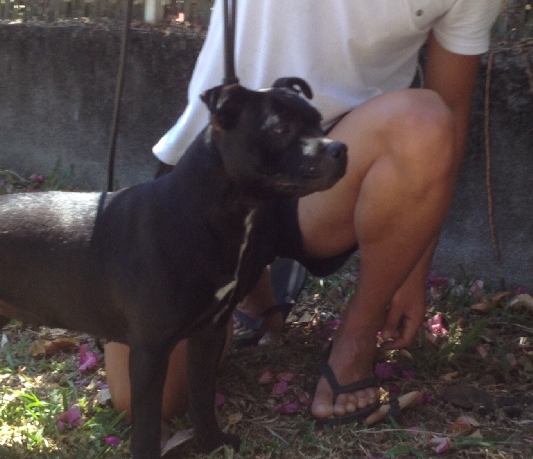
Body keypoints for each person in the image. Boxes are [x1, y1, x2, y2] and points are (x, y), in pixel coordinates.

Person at [105, 0, 503, 426]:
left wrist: (414, 268)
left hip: (332, 168)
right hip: (215, 171)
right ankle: (247, 285)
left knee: (427, 119)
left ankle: (355, 337)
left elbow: (452, 107)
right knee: (143, 400)